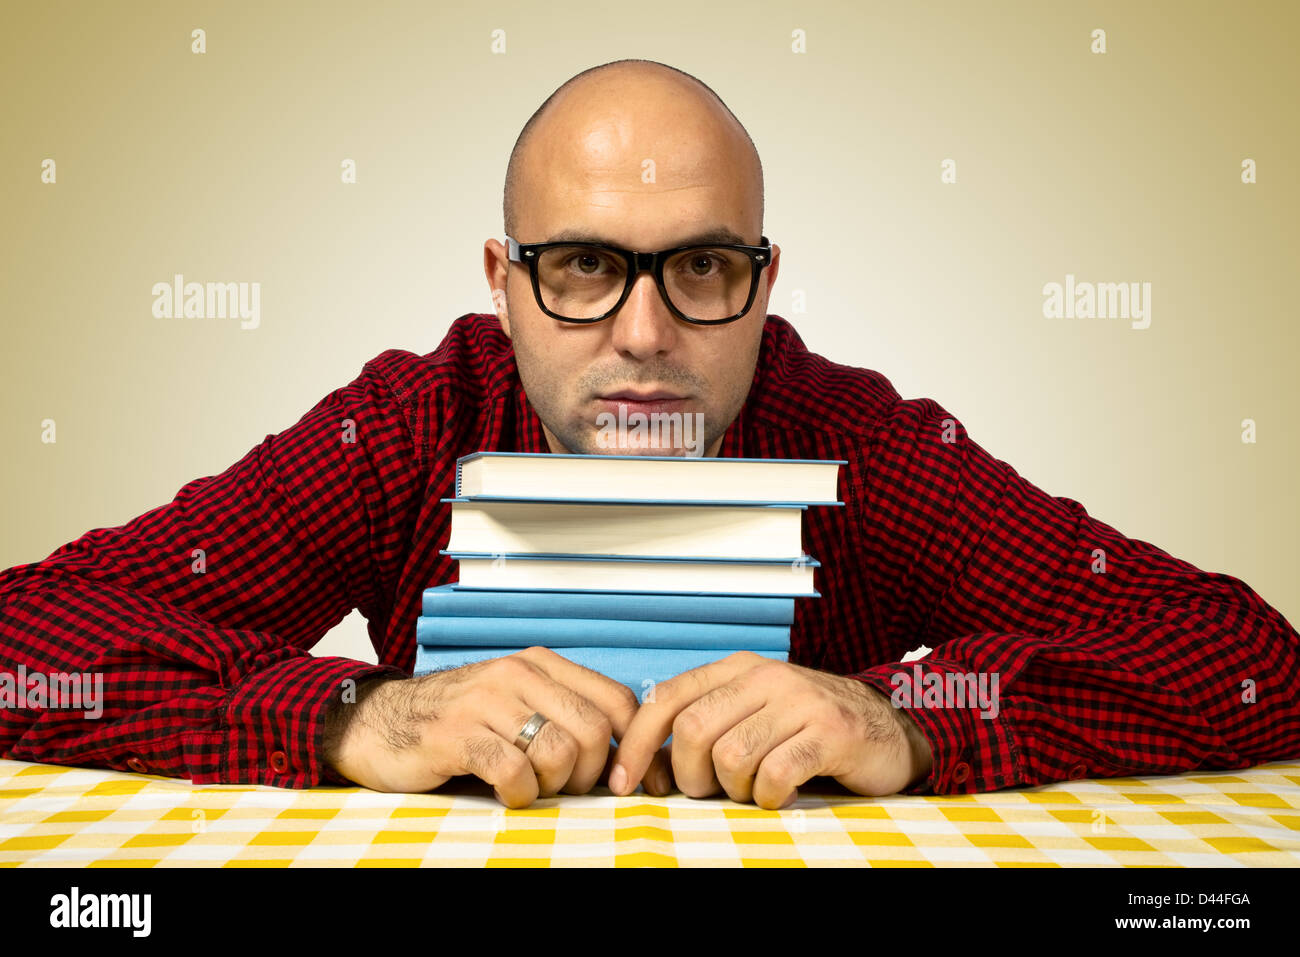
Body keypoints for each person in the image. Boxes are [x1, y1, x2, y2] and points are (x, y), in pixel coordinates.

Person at [2, 60, 1296, 812]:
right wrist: (353, 715)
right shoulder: (401, 431)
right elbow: (22, 641)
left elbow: (1250, 658)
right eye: (580, 267)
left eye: (702, 268)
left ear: (765, 281)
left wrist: (912, 722)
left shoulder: (866, 450)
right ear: (504, 282)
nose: (643, 333)